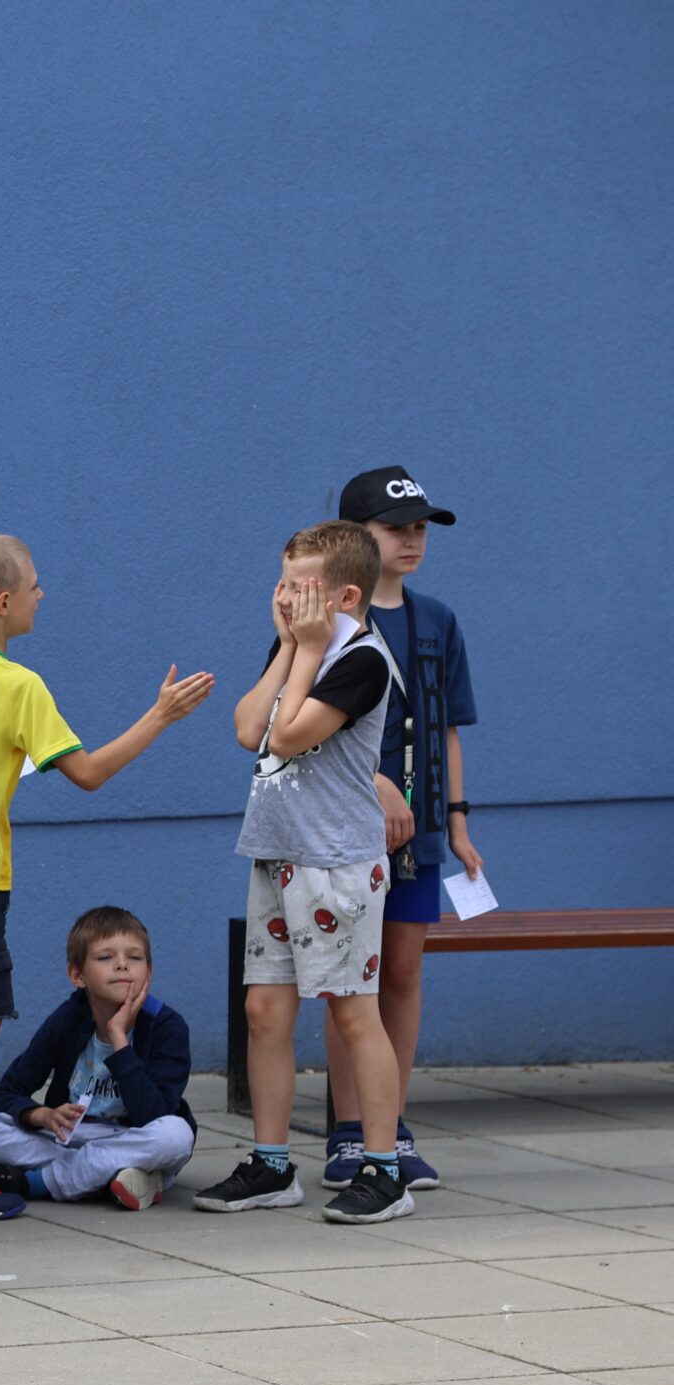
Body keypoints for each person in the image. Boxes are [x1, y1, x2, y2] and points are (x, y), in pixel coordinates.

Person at [0, 533, 214, 1221]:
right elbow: (87, 773)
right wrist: (161, 714)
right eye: (34, 585)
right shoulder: (20, 685)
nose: (42, 594)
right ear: (4, 602)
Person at [204, 521, 412, 1223]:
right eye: (283, 581)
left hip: (336, 863)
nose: (284, 596)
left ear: (346, 595)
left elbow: (288, 736)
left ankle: (384, 1169)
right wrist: (293, 646)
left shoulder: (361, 659)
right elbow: (247, 728)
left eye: (301, 586)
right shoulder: (299, 645)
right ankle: (270, 1163)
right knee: (264, 1011)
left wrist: (311, 648)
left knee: (353, 1012)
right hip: (278, 852)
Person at [321, 466, 479, 1191]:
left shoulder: (439, 619)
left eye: (420, 528)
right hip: (346, 830)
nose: (412, 540)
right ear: (356, 536)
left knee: (405, 972)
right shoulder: (330, 618)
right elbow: (307, 725)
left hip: (421, 834)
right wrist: (374, 783)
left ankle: (394, 1124)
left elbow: (448, 728)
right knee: (353, 976)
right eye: (395, 528)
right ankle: (349, 1128)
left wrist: (458, 823)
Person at [0, 906, 196, 1209]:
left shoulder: (167, 1026)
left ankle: (37, 1182)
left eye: (134, 958)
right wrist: (41, 1115)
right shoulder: (68, 1018)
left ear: (149, 972)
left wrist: (119, 1039)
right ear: (78, 975)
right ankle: (113, 1177)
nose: (122, 965)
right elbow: (4, 1094)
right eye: (105, 957)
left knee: (176, 1135)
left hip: (132, 1137)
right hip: (69, 1139)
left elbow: (153, 1117)